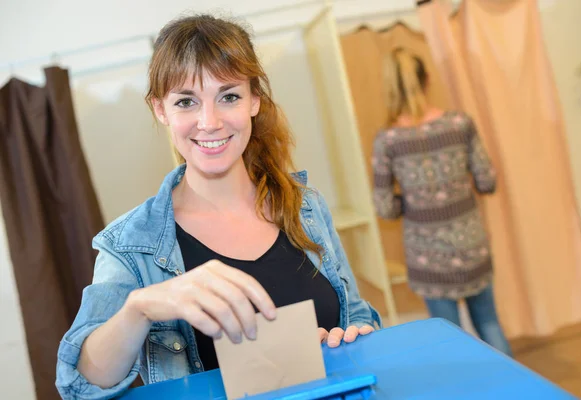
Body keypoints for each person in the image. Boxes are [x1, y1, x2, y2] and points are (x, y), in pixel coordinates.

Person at [55, 14, 381, 399]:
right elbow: (79, 385)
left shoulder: (305, 207)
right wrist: (139, 308)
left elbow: (357, 314)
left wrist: (355, 338)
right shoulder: (131, 244)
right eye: (186, 102)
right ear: (161, 110)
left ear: (254, 101)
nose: (208, 122)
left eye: (229, 96)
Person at [371, 48, 511, 356]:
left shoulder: (388, 141)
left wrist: (414, 203)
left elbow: (384, 208)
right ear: (427, 80)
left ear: (391, 88)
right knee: (489, 325)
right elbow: (487, 180)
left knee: (451, 342)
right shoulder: (460, 124)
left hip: (427, 258)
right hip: (471, 245)